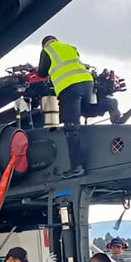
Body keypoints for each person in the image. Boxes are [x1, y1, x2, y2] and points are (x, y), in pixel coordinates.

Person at [37, 35, 95, 177]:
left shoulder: (48, 50)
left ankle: (77, 166)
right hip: (87, 82)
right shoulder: (70, 47)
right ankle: (109, 105)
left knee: (70, 127)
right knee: (86, 110)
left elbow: (42, 72)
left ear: (45, 44)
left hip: (69, 86)